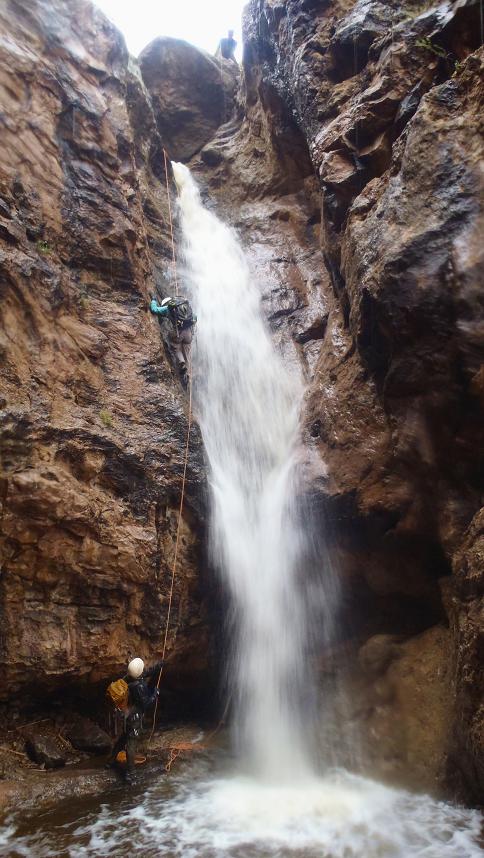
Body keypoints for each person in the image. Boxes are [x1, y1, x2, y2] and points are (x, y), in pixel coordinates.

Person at [106, 657, 162, 784]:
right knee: (131, 743)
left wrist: (157, 667)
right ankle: (131, 774)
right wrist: (155, 694)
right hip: (134, 717)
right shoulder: (139, 686)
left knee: (124, 738)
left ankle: (111, 761)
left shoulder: (129, 677)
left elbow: (144, 673)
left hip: (127, 714)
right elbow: (145, 704)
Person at [150, 295, 196, 388]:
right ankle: (186, 373)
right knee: (186, 351)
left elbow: (155, 310)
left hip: (178, 333)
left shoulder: (168, 308)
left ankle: (181, 362)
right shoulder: (185, 307)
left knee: (176, 347)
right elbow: (194, 317)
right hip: (189, 333)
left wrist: (153, 300)